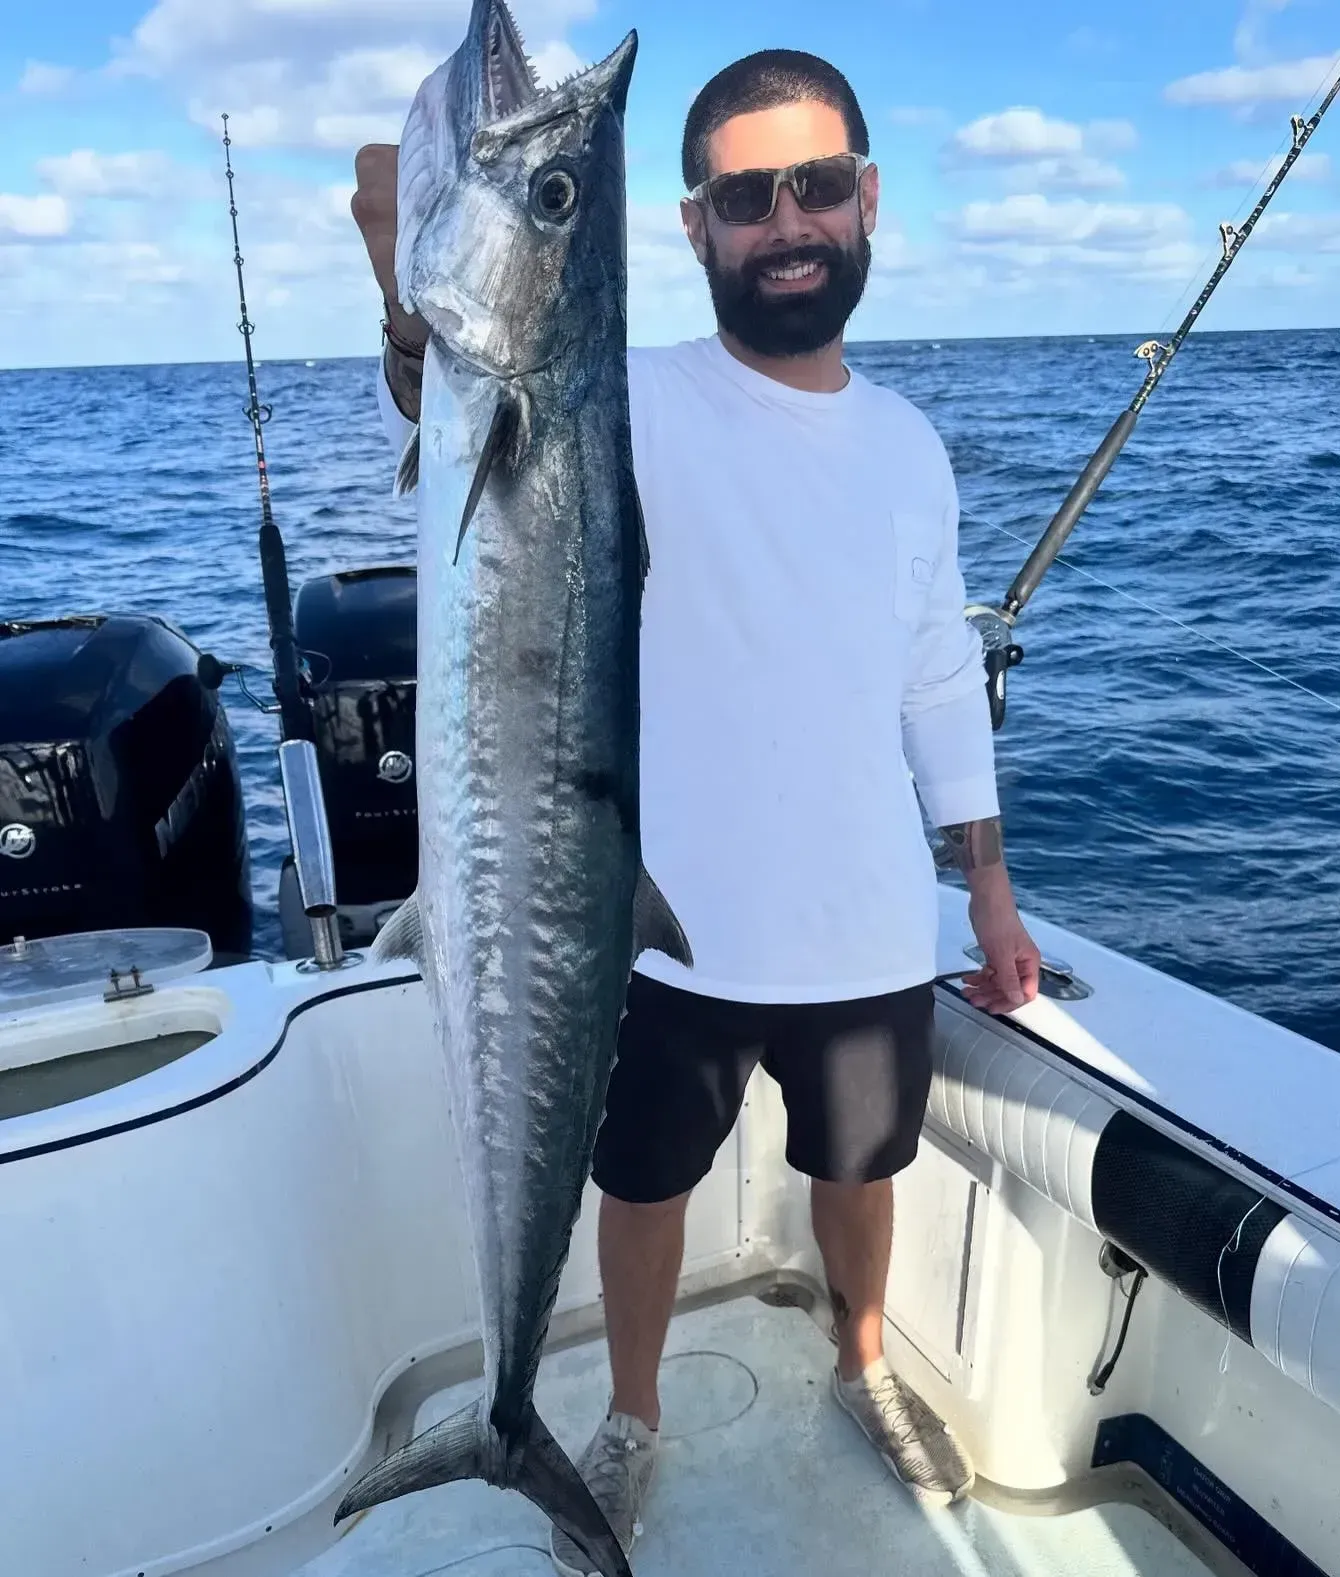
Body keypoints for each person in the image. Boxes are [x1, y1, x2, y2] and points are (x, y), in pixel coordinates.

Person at [352, 46, 1041, 1576]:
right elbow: (467, 395)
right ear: (692, 228)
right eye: (746, 195)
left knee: (861, 1175)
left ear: (868, 200)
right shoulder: (630, 400)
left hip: (867, 917)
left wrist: (986, 886)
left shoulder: (915, 448)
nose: (785, 219)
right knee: (641, 1185)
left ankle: (864, 1359)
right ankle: (628, 1416)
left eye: (814, 185)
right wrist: (405, 286)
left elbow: (938, 677)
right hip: (653, 933)